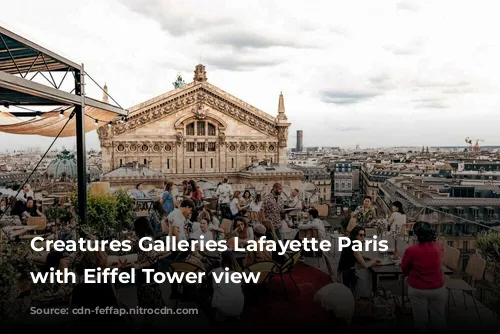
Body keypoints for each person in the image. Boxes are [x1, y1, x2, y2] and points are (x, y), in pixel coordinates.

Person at [401, 221, 446, 331]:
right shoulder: (439, 247)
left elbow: (404, 268)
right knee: (438, 319)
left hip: (417, 288)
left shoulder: (411, 250)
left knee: (420, 321)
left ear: (416, 234)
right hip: (438, 287)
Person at [133, 217, 170, 327]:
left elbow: (152, 258)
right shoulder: (147, 239)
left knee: (147, 295)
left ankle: (149, 321)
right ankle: (148, 320)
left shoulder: (144, 240)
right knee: (148, 294)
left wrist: (139, 265)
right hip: (148, 272)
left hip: (145, 272)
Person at [337, 226, 380, 298]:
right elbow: (365, 265)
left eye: (364, 235)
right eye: (361, 235)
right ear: (355, 235)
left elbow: (355, 255)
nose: (363, 237)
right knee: (367, 275)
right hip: (347, 274)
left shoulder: (350, 241)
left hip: (343, 271)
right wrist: (374, 260)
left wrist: (367, 258)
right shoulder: (355, 245)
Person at [211, 251, 244, 322]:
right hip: (238, 307)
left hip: (221, 307)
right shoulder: (238, 272)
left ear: (222, 259)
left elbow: (214, 287)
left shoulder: (217, 271)